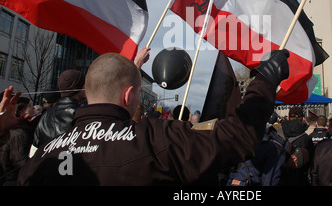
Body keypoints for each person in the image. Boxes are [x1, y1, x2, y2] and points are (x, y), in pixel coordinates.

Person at [17, 48, 290, 185]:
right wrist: (265, 80)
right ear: (129, 96)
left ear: (87, 93)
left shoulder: (42, 157)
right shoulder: (156, 139)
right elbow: (236, 138)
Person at [30, 69, 86, 156]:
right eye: (84, 84)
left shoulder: (45, 116)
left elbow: (33, 151)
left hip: (46, 166)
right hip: (70, 168)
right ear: (80, 87)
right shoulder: (82, 115)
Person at [0, 97, 39, 185]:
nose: (33, 107)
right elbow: (22, 163)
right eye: (29, 105)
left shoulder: (15, 130)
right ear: (21, 111)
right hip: (13, 180)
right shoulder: (19, 134)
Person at [280, 106, 314, 186]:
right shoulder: (306, 138)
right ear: (303, 119)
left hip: (281, 178)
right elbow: (311, 162)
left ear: (288, 118)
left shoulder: (278, 134)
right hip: (302, 179)